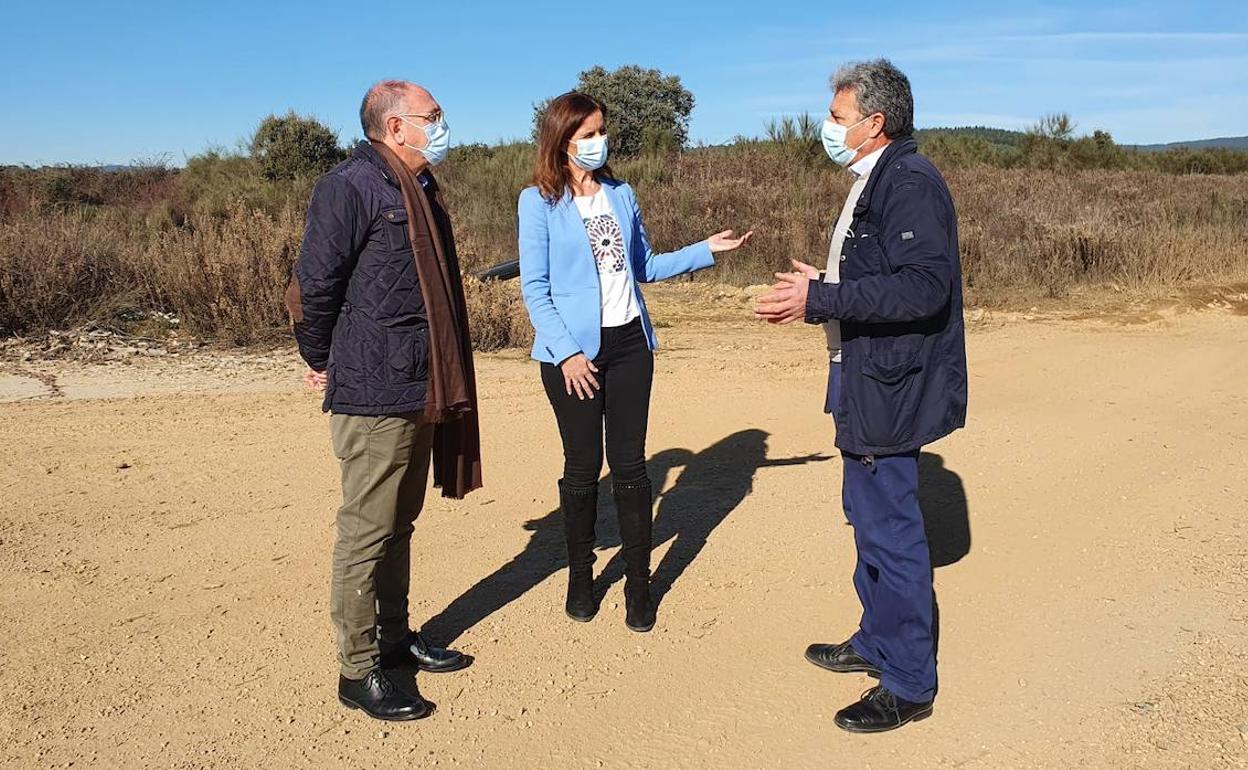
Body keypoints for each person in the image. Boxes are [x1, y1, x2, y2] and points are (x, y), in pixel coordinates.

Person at [755, 59, 968, 733]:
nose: (829, 127)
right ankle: (876, 642)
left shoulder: (908, 181)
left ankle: (908, 682)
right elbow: (885, 274)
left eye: (839, 117)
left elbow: (924, 287)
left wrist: (821, 297)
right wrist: (831, 279)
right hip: (865, 375)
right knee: (867, 520)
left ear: (875, 123)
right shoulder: (878, 178)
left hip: (889, 384)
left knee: (892, 532)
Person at [518, 92, 752, 633]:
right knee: (581, 466)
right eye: (588, 134)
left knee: (630, 466)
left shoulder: (621, 194)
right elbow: (535, 288)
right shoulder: (538, 202)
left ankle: (639, 587)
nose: (600, 142)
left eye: (603, 131)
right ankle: (581, 576)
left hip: (630, 345)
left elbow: (643, 265)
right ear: (562, 141)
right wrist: (569, 353)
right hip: (569, 353)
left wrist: (705, 249)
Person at [286, 79, 483, 722]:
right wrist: (321, 358)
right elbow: (315, 283)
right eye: (434, 116)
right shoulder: (349, 185)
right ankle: (358, 669)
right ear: (396, 128)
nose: (442, 124)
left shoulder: (419, 187)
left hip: (418, 381)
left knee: (400, 521)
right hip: (374, 386)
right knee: (366, 532)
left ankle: (394, 640)